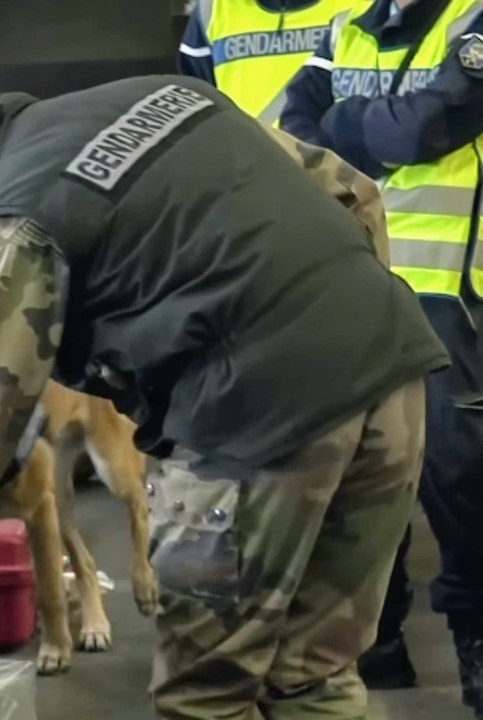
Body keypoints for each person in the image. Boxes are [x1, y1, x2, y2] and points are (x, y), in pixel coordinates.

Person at [0, 76, 449, 719]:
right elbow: (349, 188)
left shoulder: (16, 217)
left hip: (252, 424)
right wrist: (357, 325)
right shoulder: (170, 94)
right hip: (390, 378)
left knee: (206, 694)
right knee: (315, 676)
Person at [280, 0, 483, 711]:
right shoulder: (347, 30)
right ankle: (379, 645)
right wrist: (376, 130)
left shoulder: (475, 21)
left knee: (459, 483)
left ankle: (475, 647)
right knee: (361, 470)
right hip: (360, 280)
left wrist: (346, 127)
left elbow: (433, 122)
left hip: (453, 292)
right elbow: (291, 125)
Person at [178, 0, 358, 124]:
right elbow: (195, 109)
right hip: (248, 171)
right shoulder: (213, 8)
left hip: (332, 171)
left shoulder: (362, 6)